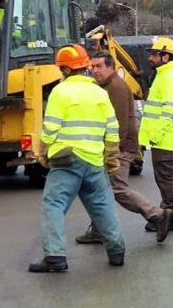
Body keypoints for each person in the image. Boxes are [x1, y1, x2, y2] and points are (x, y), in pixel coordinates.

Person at [29, 44, 125, 273]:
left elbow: (50, 129)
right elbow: (112, 130)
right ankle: (117, 252)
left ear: (64, 69)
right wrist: (111, 159)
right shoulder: (100, 93)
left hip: (66, 160)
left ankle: (55, 257)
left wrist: (42, 152)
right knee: (102, 205)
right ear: (85, 67)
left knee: (54, 204)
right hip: (94, 160)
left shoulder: (60, 92)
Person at [75, 51, 172, 246]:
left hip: (121, 147)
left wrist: (113, 151)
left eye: (99, 66)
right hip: (110, 146)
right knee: (99, 188)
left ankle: (157, 215)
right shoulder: (103, 86)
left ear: (110, 67)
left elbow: (119, 123)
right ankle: (98, 230)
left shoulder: (116, 87)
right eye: (92, 67)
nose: (95, 70)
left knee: (117, 189)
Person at [139, 37, 173, 232]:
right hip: (164, 138)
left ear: (165, 57)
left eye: (154, 54)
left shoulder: (170, 78)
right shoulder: (163, 75)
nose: (150, 58)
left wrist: (156, 135)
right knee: (164, 178)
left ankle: (170, 216)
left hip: (166, 138)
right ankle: (170, 215)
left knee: (166, 178)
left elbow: (169, 111)